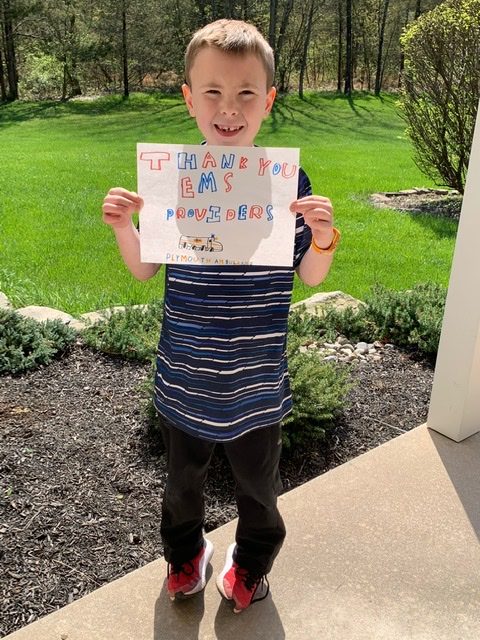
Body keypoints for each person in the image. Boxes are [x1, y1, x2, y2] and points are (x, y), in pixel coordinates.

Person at [102, 18, 340, 614]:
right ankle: (186, 555)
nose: (228, 109)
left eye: (244, 94)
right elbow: (143, 272)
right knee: (182, 488)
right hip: (184, 376)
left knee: (258, 493)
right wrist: (125, 230)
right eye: (211, 92)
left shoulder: (287, 184)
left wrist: (323, 238)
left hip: (256, 384)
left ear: (268, 101)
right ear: (188, 97)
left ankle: (252, 562)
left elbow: (307, 277)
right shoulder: (171, 181)